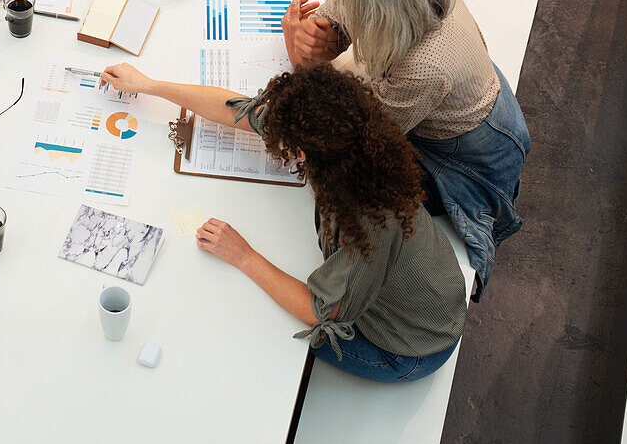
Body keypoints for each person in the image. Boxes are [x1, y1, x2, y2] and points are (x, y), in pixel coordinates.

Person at [100, 61, 467, 382]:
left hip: (410, 347)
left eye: (282, 143)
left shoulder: (368, 218)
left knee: (264, 327)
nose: (272, 139)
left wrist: (243, 255)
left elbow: (321, 311)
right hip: (432, 286)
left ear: (303, 151)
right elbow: (235, 110)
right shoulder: (349, 138)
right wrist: (147, 85)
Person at [280, 0, 529, 300]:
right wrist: (325, 32)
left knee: (352, 189)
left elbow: (345, 131)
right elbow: (346, 12)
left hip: (467, 150)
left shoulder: (424, 68)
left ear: (377, 8)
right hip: (454, 103)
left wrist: (298, 54)